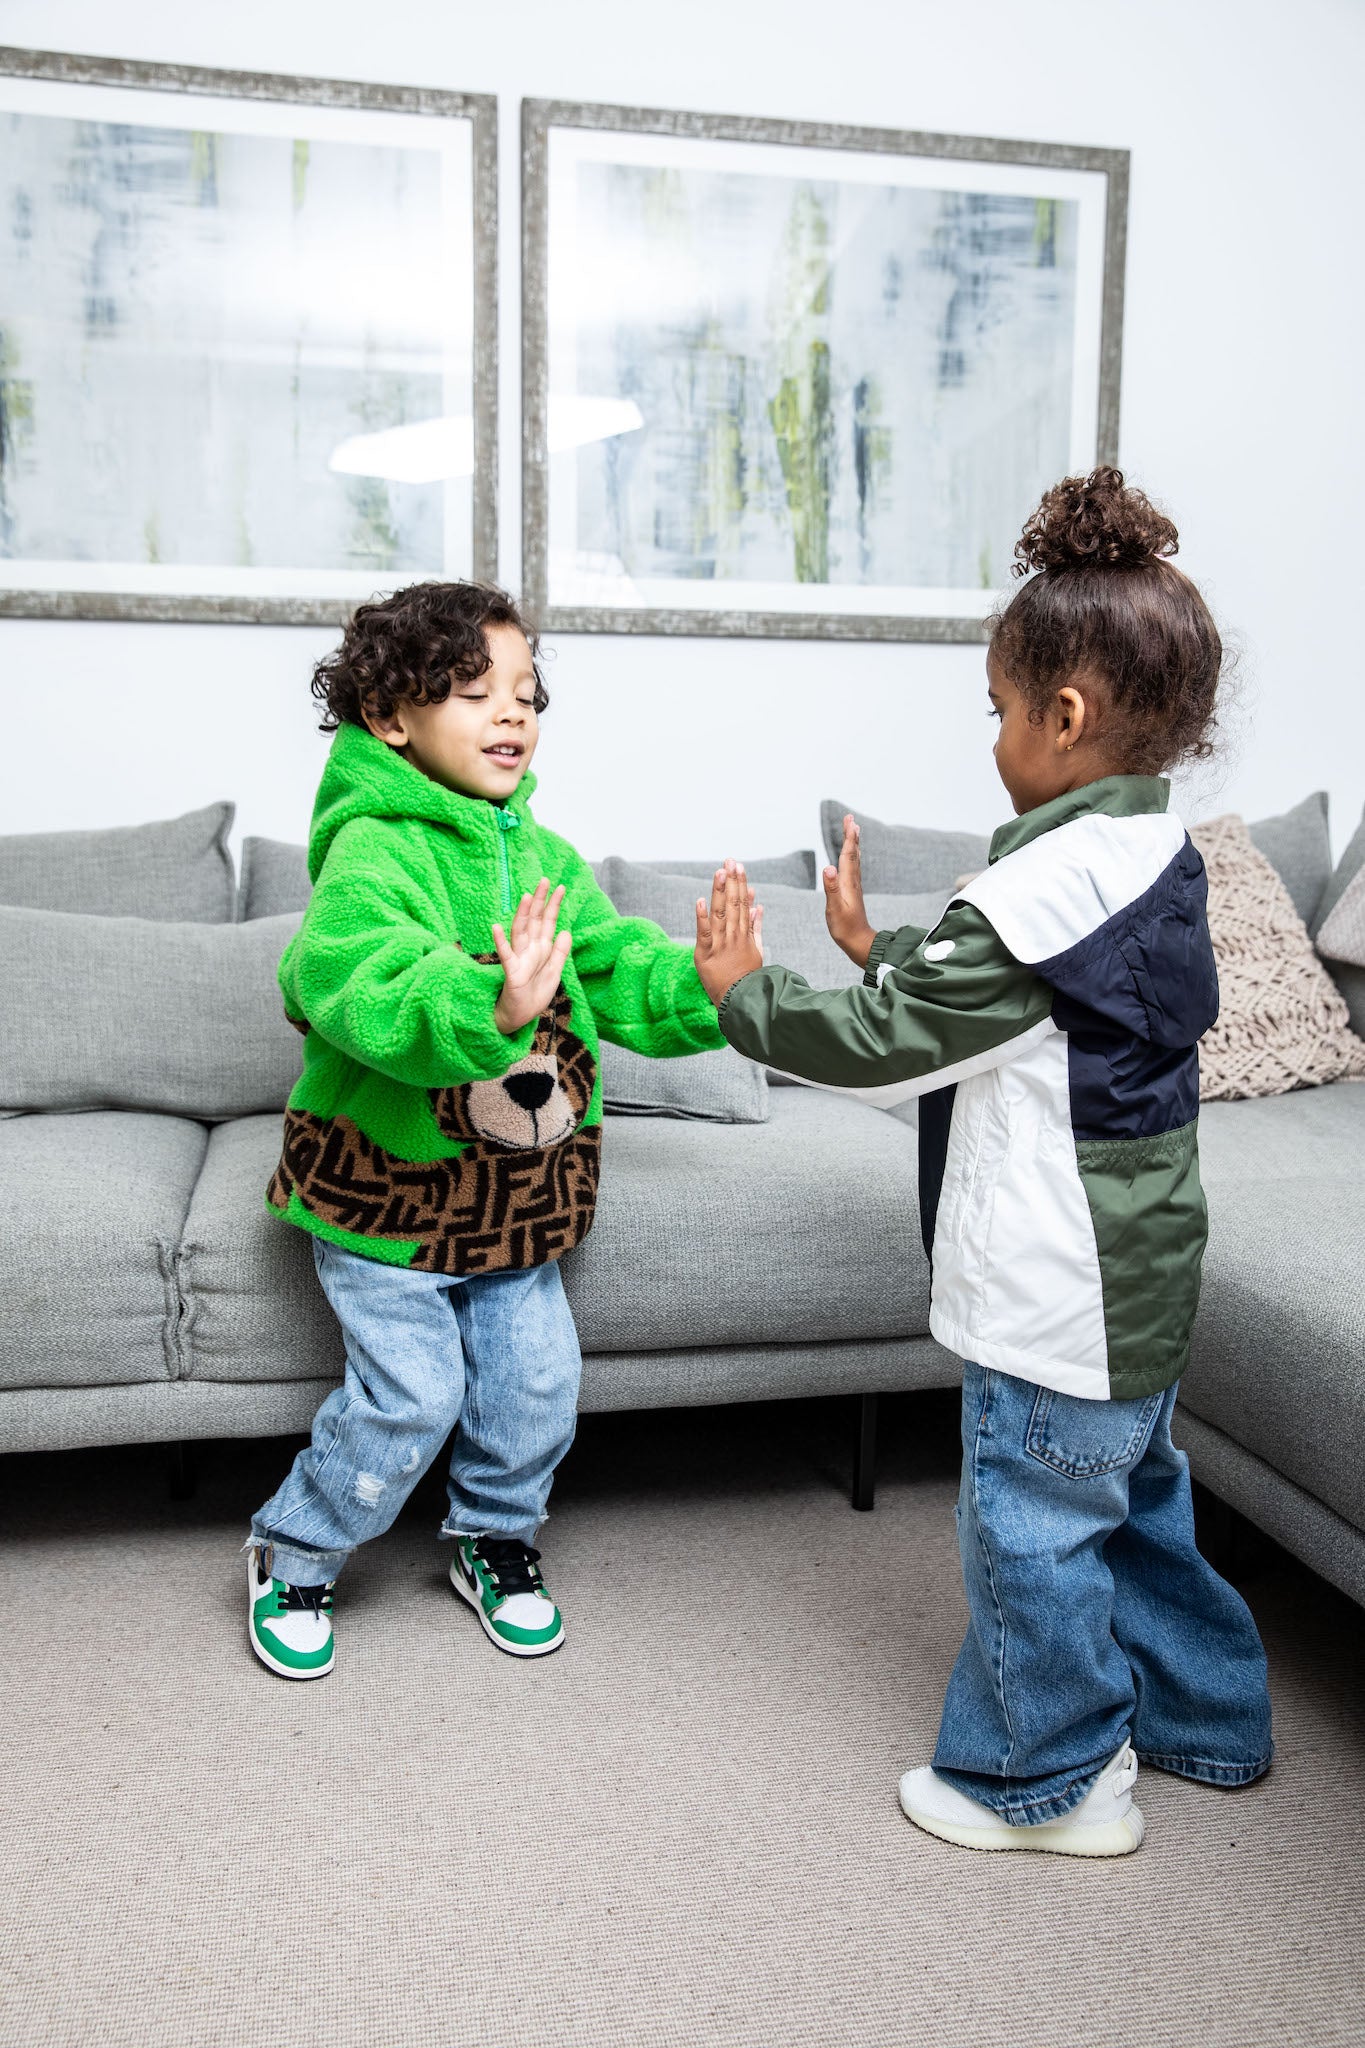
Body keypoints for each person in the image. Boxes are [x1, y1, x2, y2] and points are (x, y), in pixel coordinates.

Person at [693, 467, 1273, 1857]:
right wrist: (882, 948)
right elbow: (1026, 1017)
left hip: (1053, 1294)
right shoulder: (1145, 851)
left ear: (1062, 716)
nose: (997, 738)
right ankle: (1208, 1718)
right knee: (1135, 1505)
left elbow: (899, 1047)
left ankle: (1044, 1781)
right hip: (1139, 1277)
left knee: (1029, 1533)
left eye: (1002, 713)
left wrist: (745, 994)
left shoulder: (1032, 893)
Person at [248, 580, 738, 1678]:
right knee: (414, 1392)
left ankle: (492, 1535)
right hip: (393, 1209)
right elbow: (347, 979)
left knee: (535, 1384)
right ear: (390, 717)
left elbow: (611, 965)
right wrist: (490, 1007)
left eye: (524, 692)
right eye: (474, 693)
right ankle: (296, 1549)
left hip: (515, 1202)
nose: (512, 714)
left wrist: (704, 983)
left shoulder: (549, 856)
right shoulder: (373, 850)